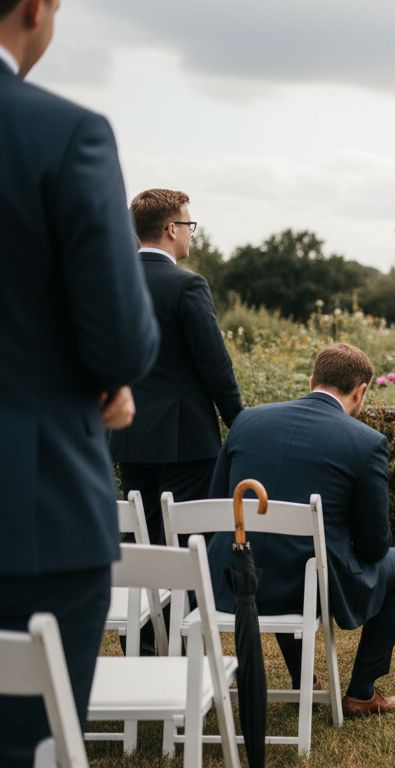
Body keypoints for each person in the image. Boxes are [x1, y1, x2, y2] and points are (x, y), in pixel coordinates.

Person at [0, 0, 160, 762]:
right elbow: (122, 339)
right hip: (28, 519)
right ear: (36, 7)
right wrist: (105, 376)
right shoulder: (62, 135)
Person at [207, 343, 395, 717]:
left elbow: (217, 505)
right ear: (361, 391)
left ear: (311, 381)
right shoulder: (366, 443)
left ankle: (304, 679)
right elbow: (374, 547)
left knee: (279, 550)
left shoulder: (247, 422)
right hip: (306, 585)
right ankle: (361, 692)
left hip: (236, 580)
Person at [112, 189, 243, 552]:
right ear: (172, 228)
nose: (190, 233)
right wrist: (239, 420)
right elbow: (214, 364)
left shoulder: (113, 284)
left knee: (141, 539)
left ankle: (144, 593)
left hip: (129, 435)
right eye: (189, 225)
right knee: (189, 544)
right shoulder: (187, 285)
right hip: (185, 440)